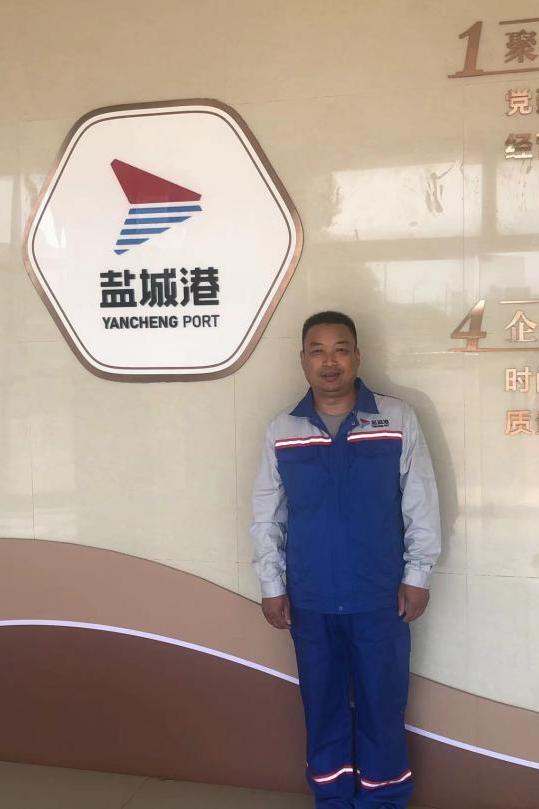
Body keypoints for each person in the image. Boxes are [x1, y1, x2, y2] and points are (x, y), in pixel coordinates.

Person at [251, 311, 441, 809]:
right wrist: (272, 584)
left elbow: (421, 501)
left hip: (380, 597)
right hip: (310, 598)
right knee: (322, 706)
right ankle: (332, 798)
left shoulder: (396, 419)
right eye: (317, 350)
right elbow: (267, 514)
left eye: (340, 349)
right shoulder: (283, 429)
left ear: (357, 356)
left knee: (382, 705)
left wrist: (418, 574)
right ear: (302, 360)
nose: (329, 361)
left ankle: (384, 800)